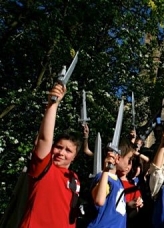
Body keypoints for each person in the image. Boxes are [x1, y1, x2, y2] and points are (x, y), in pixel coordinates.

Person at [20, 84, 82, 228]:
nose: (61, 153)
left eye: (68, 150)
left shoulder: (74, 177)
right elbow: (44, 139)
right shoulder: (44, 167)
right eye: (58, 147)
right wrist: (53, 104)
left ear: (75, 156)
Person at [87, 141, 131, 227]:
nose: (130, 164)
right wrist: (106, 170)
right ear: (118, 159)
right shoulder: (105, 178)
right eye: (129, 159)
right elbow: (99, 200)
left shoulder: (117, 181)